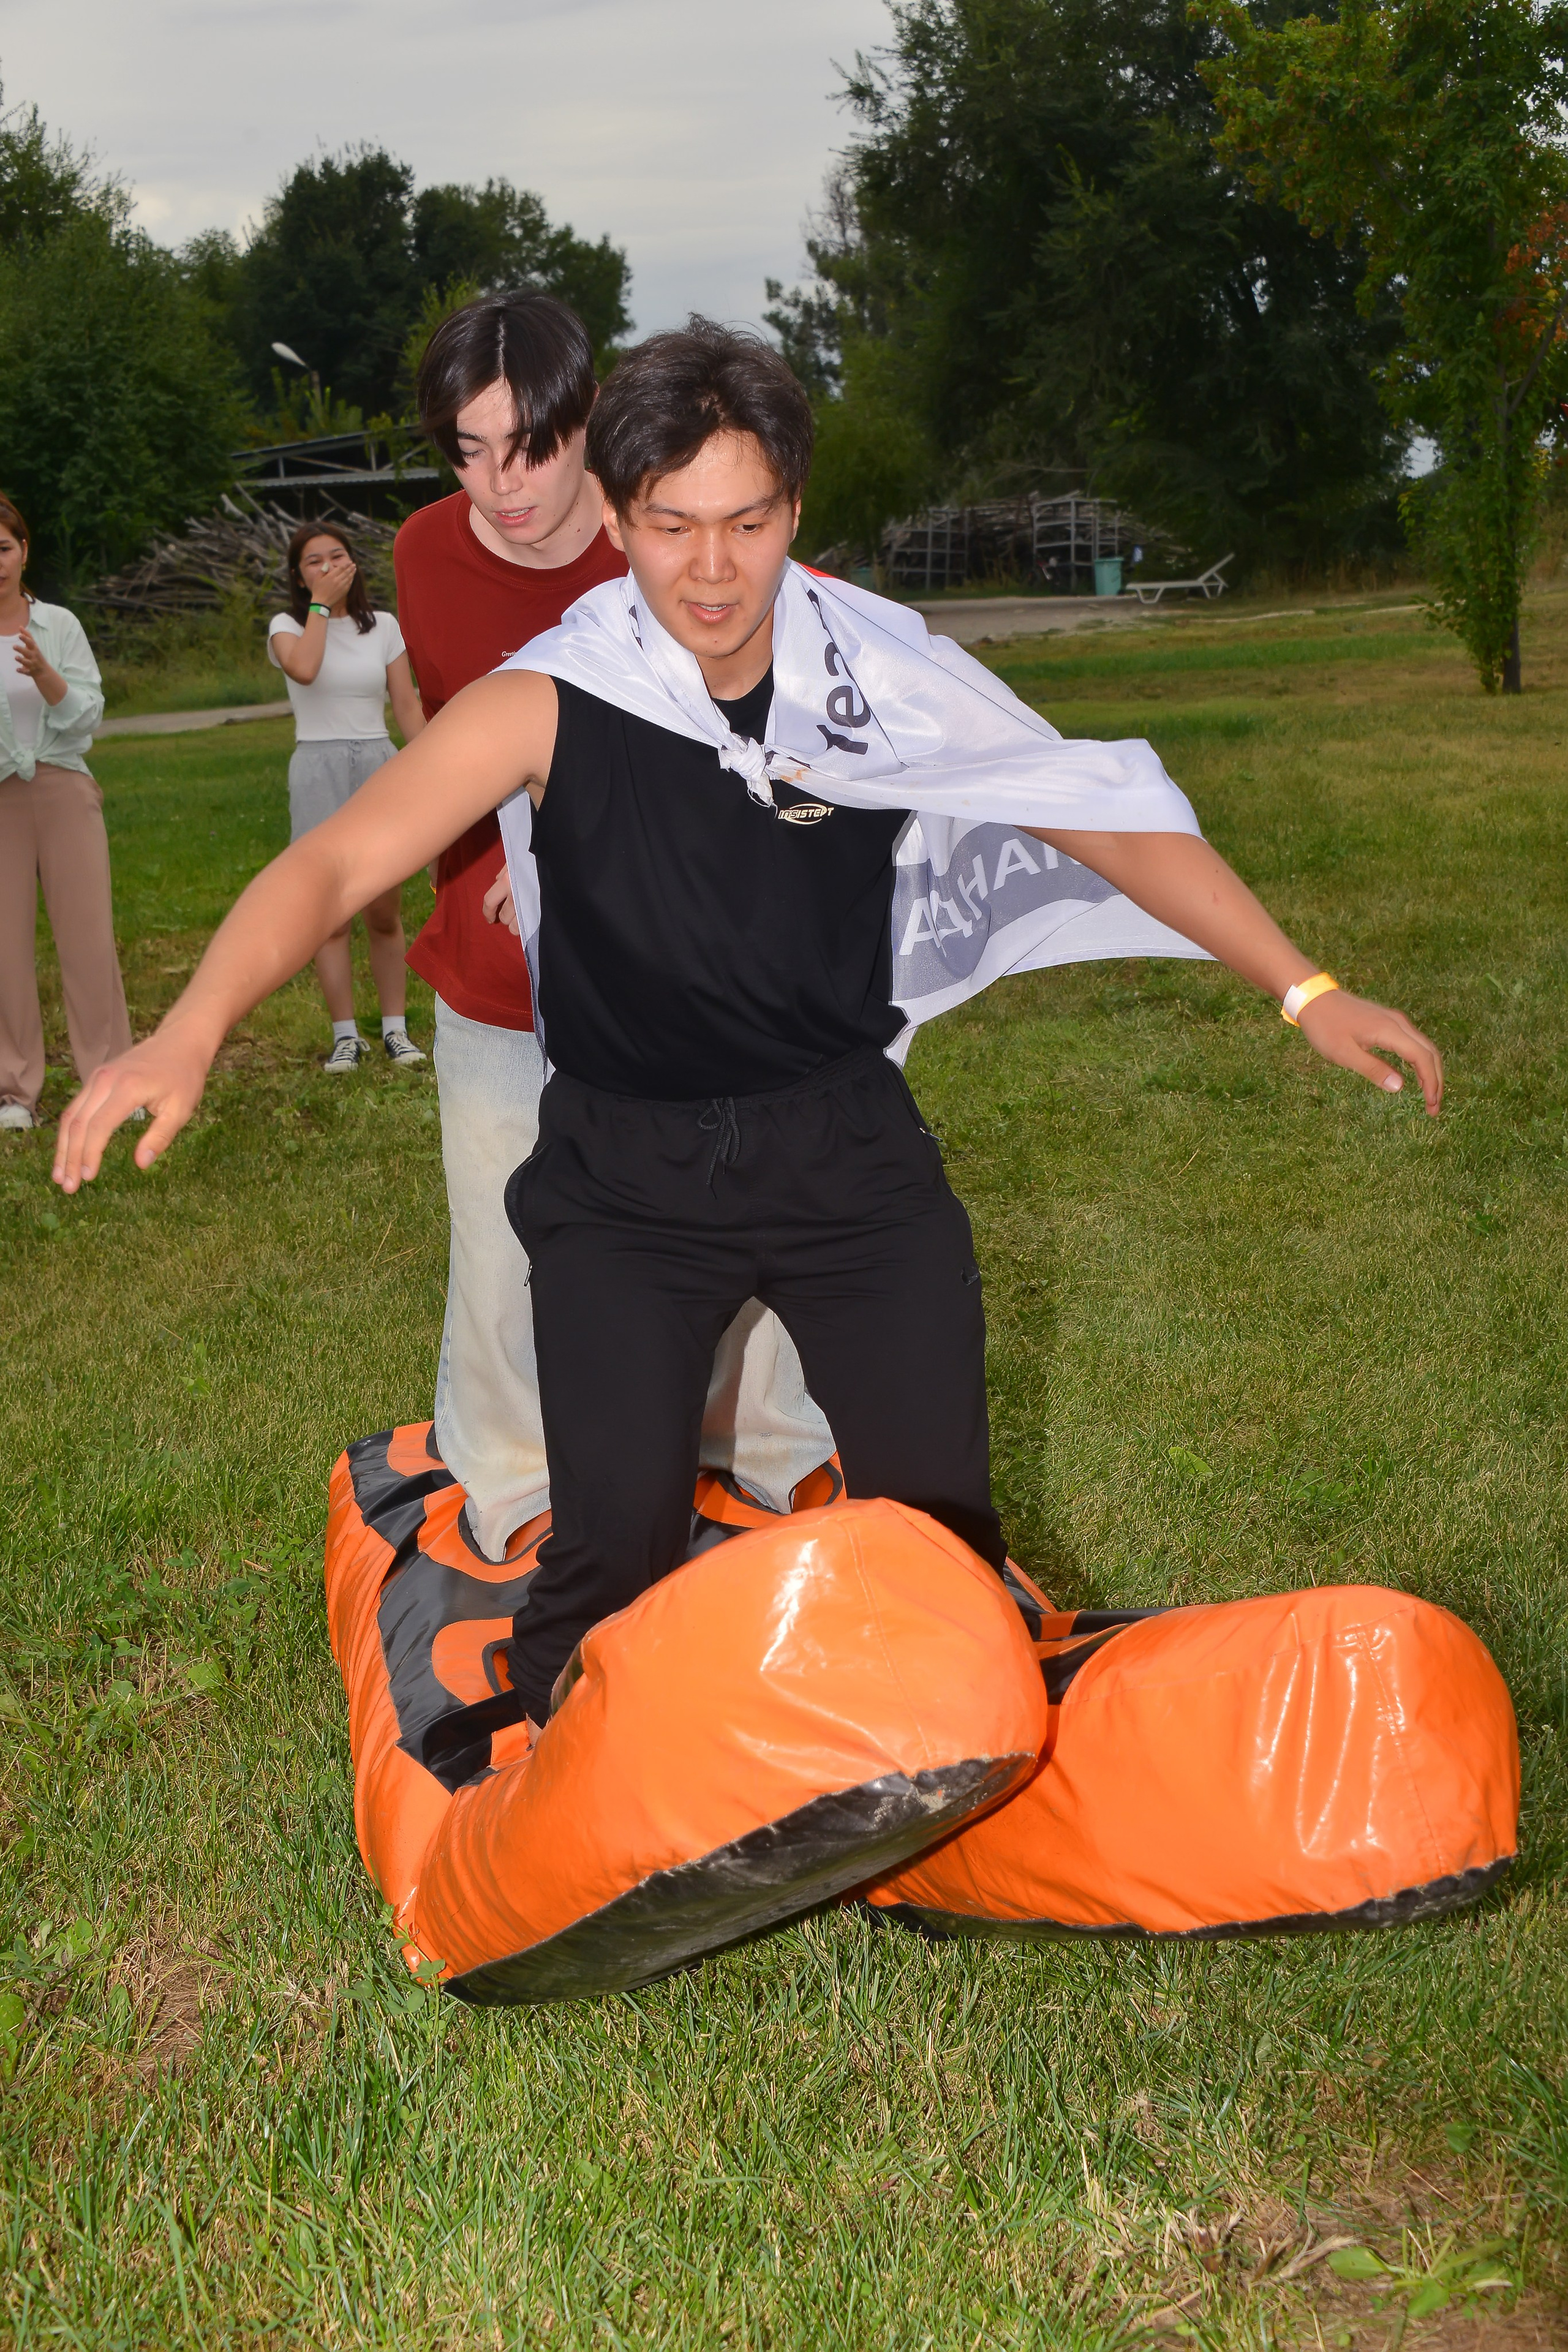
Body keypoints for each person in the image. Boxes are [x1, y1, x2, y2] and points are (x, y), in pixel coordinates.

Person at [55, 320, 1442, 1738]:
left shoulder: (873, 676)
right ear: (615, 513)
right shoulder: (551, 696)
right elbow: (335, 863)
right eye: (668, 526)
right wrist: (189, 1032)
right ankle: (549, 1748)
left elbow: (1105, 814)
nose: (709, 571)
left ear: (792, 508)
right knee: (608, 1565)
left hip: (846, 1161)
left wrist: (1303, 987)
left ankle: (927, 1737)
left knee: (941, 1540)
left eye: (745, 522)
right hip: (623, 1184)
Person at [395, 290, 832, 1560]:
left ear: (588, 420)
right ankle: (518, 1489)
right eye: (467, 452)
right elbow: (452, 732)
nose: (500, 485)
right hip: (501, 977)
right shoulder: (426, 554)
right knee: (505, 1237)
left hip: (684, 963)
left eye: (527, 445)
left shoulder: (669, 535)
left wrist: (577, 846)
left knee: (745, 1209)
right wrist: (485, 838)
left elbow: (760, 736)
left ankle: (766, 1458)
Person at [268, 522, 428, 1071]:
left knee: (384, 907)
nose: (329, 566)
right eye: (315, 561)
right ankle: (344, 1035)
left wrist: (435, 762)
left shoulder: (382, 626)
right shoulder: (286, 627)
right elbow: (306, 669)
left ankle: (394, 1029)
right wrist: (319, 607)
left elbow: (405, 705)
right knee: (329, 912)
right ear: (299, 575)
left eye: (338, 556)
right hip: (318, 766)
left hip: (377, 764)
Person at [0, 494, 128, 1133]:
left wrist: (46, 674)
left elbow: (87, 719)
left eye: (3, 549)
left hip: (64, 791)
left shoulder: (58, 626)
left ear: (23, 552)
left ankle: (107, 1080)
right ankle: (15, 1091)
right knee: (6, 948)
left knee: (87, 941)